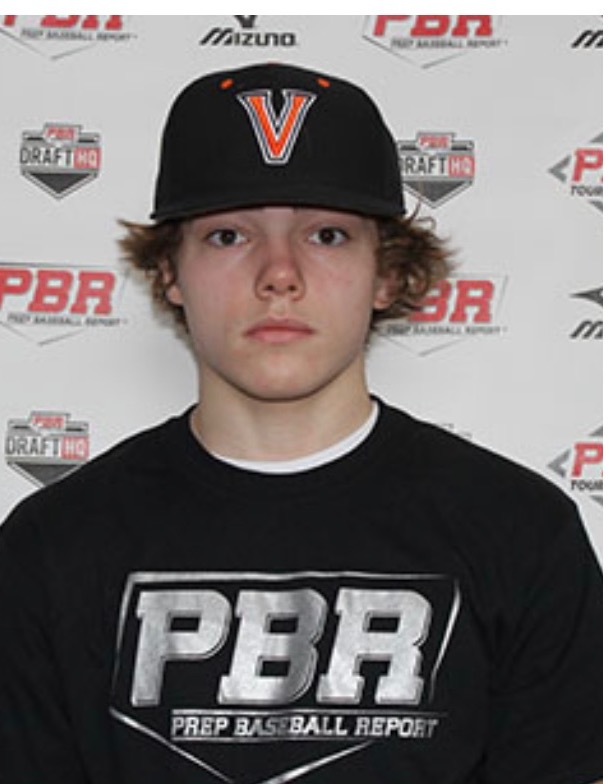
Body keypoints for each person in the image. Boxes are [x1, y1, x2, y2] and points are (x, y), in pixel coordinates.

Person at [0, 62, 601, 784]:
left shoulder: (521, 533)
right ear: (170, 273)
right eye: (229, 235)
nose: (278, 274)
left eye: (327, 235)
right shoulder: (52, 546)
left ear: (387, 273)